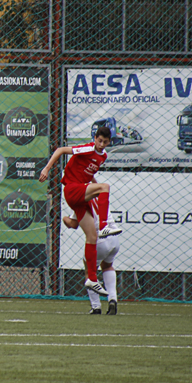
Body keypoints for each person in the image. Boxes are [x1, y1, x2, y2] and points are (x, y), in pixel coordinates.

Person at [39, 126, 121, 297]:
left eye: (105, 142)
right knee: (105, 187)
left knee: (92, 236)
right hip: (72, 189)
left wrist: (94, 186)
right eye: (99, 140)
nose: (101, 144)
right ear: (95, 138)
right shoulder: (88, 148)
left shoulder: (103, 156)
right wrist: (46, 169)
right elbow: (61, 150)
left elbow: (88, 174)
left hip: (80, 194)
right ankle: (104, 225)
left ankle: (91, 278)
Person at [63, 215, 120, 315]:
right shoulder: (99, 200)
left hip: (99, 239)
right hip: (114, 239)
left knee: (89, 271)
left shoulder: (81, 202)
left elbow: (73, 224)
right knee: (107, 266)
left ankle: (96, 306)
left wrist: (64, 218)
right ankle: (112, 300)